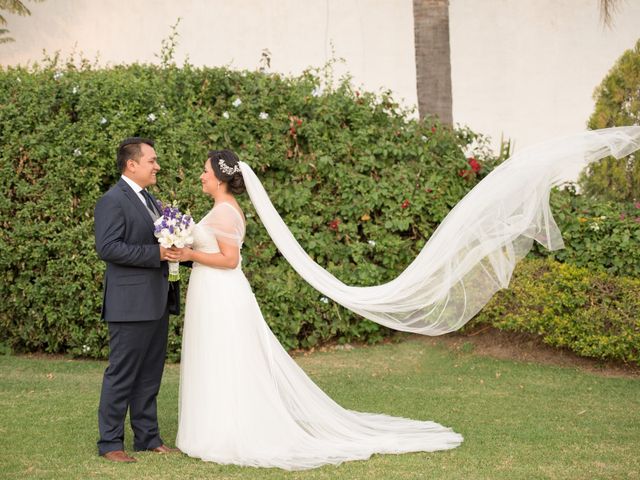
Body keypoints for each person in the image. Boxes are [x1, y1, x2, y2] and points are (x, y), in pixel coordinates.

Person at [170, 150, 463, 470]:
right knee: (216, 357)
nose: (201, 176)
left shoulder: (226, 212)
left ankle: (226, 432)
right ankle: (211, 427)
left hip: (221, 293)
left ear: (221, 178)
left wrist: (188, 253)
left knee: (226, 358)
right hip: (211, 292)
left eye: (205, 171)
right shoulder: (220, 210)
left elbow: (230, 260)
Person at [94, 137, 181, 463]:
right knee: (122, 374)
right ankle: (110, 443)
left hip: (156, 301)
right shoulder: (112, 201)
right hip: (129, 304)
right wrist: (156, 253)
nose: (157, 166)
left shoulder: (151, 200)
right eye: (152, 160)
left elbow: (162, 240)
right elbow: (108, 247)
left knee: (149, 375)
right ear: (132, 164)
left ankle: (148, 438)